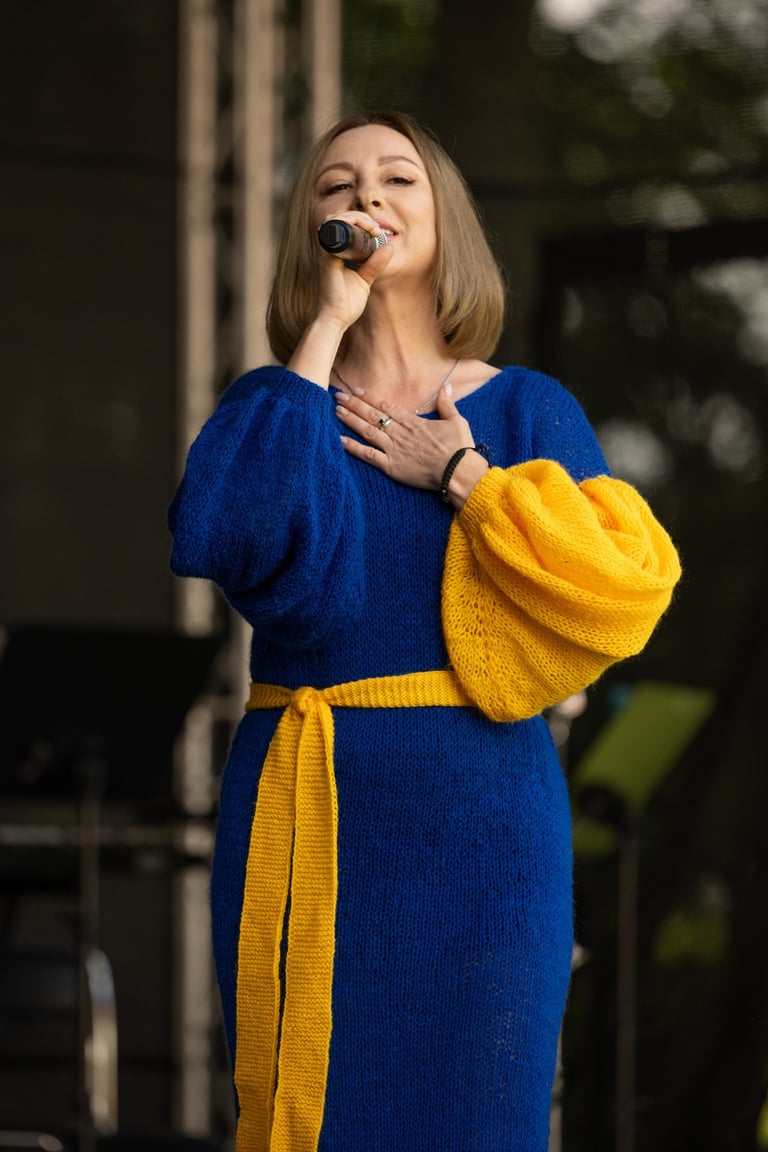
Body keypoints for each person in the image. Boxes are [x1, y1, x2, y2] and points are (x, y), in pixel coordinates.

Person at [167, 109, 681, 1152]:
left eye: (397, 179)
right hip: (311, 807)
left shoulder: (528, 408)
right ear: (311, 230)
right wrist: (322, 332)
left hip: (485, 828)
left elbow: (625, 588)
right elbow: (225, 535)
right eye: (336, 184)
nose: (365, 196)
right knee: (311, 1113)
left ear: (445, 221)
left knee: (479, 1119)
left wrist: (463, 477)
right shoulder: (278, 404)